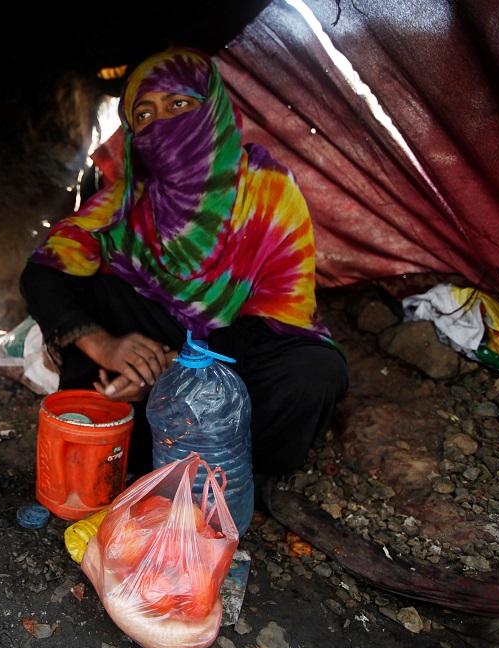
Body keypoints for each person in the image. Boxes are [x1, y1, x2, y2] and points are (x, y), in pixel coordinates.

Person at [19, 46, 349, 480]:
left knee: (313, 372)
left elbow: (274, 319)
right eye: (145, 115)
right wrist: (105, 346)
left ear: (211, 109)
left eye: (179, 104)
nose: (163, 123)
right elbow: (42, 273)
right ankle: (122, 463)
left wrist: (175, 368)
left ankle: (229, 480)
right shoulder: (127, 199)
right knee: (96, 296)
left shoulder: (266, 190)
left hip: (235, 350)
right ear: (133, 135)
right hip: (155, 345)